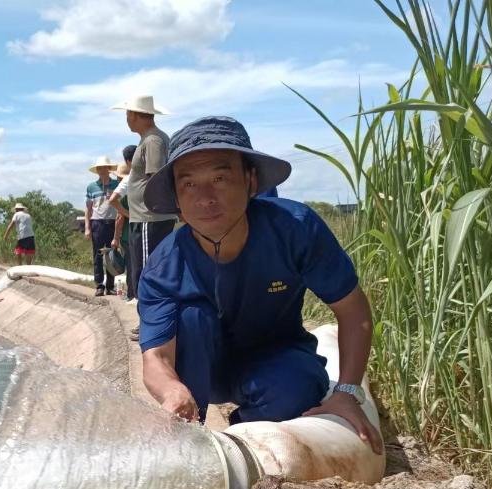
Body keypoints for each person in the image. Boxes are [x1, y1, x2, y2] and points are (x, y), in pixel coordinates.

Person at [137, 115, 382, 453]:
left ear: (251, 181)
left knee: (296, 387)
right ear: (176, 198)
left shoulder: (294, 230)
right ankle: (191, 438)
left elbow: (353, 311)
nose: (205, 198)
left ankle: (240, 440)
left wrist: (348, 392)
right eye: (189, 184)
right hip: (205, 371)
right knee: (191, 314)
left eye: (220, 178)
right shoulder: (165, 267)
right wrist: (171, 391)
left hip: (275, 359)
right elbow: (157, 359)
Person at [111, 96, 178, 328]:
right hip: (144, 218)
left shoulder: (153, 141)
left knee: (149, 271)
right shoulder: (148, 140)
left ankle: (153, 323)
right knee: (142, 269)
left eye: (128, 114)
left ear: (138, 115)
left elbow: (155, 179)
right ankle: (151, 320)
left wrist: (153, 208)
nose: (127, 119)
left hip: (152, 218)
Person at [84, 155, 120, 296]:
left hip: (112, 222)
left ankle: (110, 286)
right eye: (99, 168)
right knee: (98, 255)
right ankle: (99, 285)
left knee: (112, 254)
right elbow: (88, 208)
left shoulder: (115, 185)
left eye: (104, 167)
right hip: (97, 223)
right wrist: (87, 228)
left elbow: (119, 204)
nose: (101, 170)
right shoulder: (91, 187)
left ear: (108, 169)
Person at [108, 144, 138, 294]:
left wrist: (116, 239)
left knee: (131, 265)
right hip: (139, 230)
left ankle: (132, 293)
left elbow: (119, 218)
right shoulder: (138, 186)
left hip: (128, 234)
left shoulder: (124, 192)